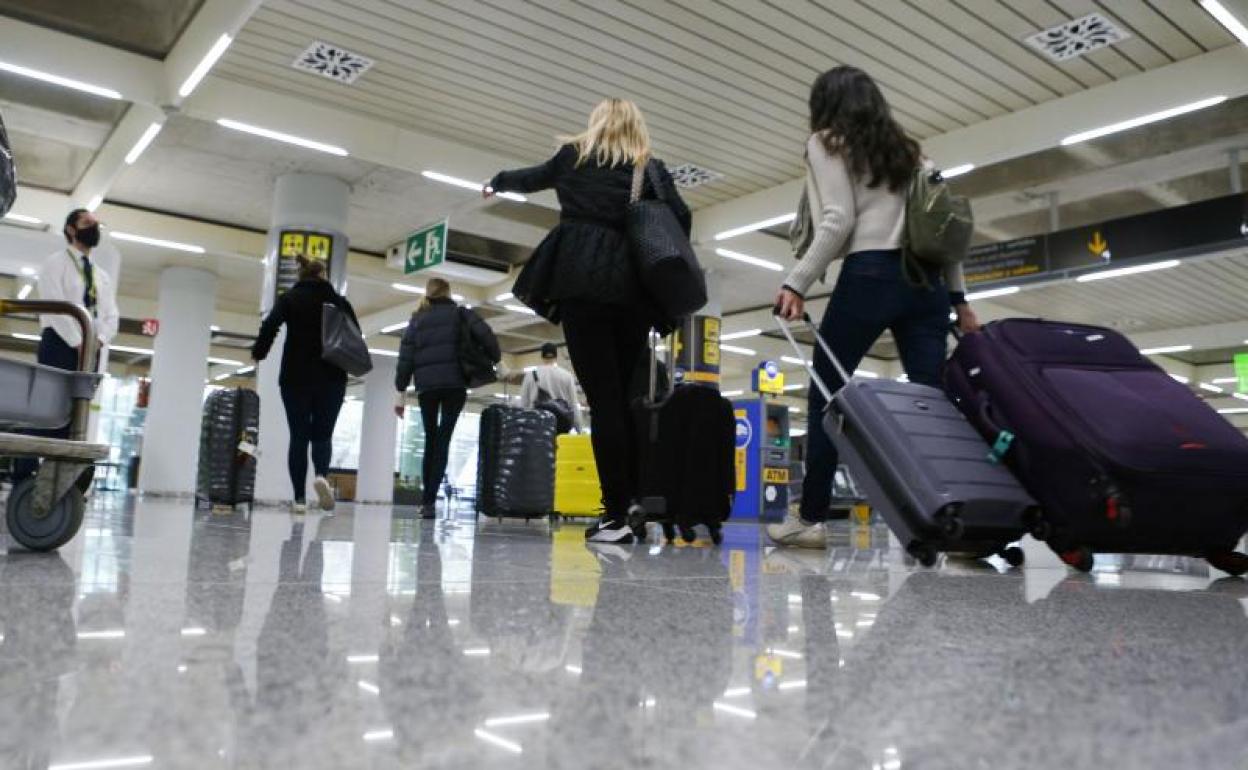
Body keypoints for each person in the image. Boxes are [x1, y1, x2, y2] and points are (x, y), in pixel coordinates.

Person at [771, 66, 981, 549]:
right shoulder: (912, 151)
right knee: (933, 404)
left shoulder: (827, 142)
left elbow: (837, 219)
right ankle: (959, 519)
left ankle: (811, 518)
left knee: (826, 393)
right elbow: (945, 231)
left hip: (870, 276)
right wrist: (960, 300)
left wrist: (796, 281)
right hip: (925, 284)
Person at [486, 98, 690, 545]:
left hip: (581, 283)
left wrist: (497, 182)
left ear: (596, 122)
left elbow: (531, 178)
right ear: (637, 127)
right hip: (633, 292)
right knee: (628, 402)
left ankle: (615, 515)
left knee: (604, 401)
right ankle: (635, 503)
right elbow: (682, 218)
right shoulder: (647, 168)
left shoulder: (573, 157)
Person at [13, 208, 119, 481]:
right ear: (71, 229)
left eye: (96, 224)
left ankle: (57, 476)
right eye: (86, 222)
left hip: (90, 351)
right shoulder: (55, 262)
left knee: (74, 414)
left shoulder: (101, 275)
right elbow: (55, 306)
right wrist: (77, 341)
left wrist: (98, 341)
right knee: (48, 409)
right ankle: (23, 473)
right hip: (59, 344)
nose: (93, 227)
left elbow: (111, 316)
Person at [251, 256, 357, 513]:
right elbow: (355, 333)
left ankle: (299, 498)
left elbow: (270, 326)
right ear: (322, 276)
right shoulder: (339, 301)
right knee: (322, 435)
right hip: (332, 376)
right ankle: (321, 475)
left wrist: (259, 353)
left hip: (295, 377)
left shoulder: (290, 299)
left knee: (299, 436)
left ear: (301, 275)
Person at [394, 277, 499, 519]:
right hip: (454, 385)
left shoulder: (417, 319)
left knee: (431, 439)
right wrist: (495, 358)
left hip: (427, 388)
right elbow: (487, 335)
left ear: (428, 293)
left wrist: (400, 391)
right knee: (443, 439)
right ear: (448, 292)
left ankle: (427, 501)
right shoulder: (461, 313)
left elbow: (405, 357)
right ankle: (430, 500)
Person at [519, 342, 584, 433]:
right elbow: (573, 405)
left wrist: (523, 429)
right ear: (556, 357)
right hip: (560, 425)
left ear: (542, 356)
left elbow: (523, 405)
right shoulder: (567, 376)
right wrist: (579, 430)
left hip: (537, 426)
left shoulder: (530, 375)